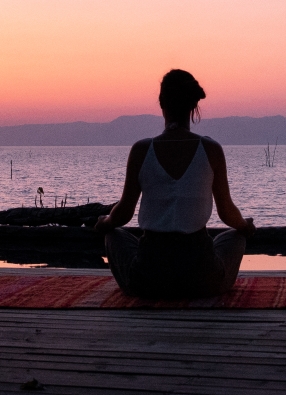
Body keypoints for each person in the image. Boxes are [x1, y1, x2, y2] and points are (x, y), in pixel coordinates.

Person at [95, 69, 256, 298]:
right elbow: (227, 213)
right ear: (193, 106)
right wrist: (244, 226)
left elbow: (123, 213)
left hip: (148, 281)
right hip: (202, 280)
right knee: (234, 237)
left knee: (114, 235)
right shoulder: (211, 150)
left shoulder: (141, 150)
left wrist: (105, 222)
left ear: (161, 103)